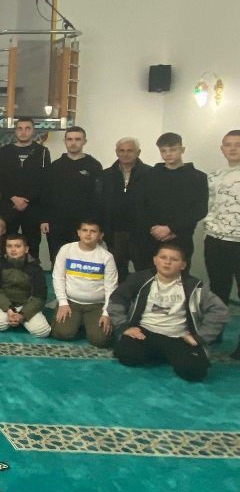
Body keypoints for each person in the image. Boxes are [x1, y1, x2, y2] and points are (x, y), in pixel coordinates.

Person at [108, 242, 228, 381]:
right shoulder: (140, 279)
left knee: (195, 371)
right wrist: (123, 327)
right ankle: (163, 354)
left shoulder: (194, 286)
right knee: (126, 355)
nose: (167, 262)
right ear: (155, 260)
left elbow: (219, 310)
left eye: (174, 259)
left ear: (183, 265)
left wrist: (200, 337)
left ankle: (168, 354)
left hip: (178, 337)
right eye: (163, 257)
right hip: (145, 332)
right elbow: (117, 298)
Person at [133, 132, 207, 264]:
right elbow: (140, 206)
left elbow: (199, 209)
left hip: (181, 237)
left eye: (173, 149)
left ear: (182, 149)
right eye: (163, 150)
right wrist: (154, 229)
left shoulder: (198, 177)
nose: (168, 154)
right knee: (148, 273)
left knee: (178, 275)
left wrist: (172, 229)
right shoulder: (149, 176)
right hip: (150, 237)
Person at [50, 218, 118, 347]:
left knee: (100, 340)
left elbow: (111, 288)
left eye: (93, 231)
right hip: (71, 302)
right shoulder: (66, 249)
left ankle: (84, 322)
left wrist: (106, 313)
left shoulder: (107, 257)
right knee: (62, 333)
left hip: (96, 305)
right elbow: (58, 277)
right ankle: (78, 322)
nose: (88, 234)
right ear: (78, 232)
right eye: (85, 230)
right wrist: (63, 303)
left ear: (100, 235)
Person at [40, 126, 103, 258]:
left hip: (84, 224)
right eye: (69, 139)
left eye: (77, 139)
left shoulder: (94, 166)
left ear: (84, 141)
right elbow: (46, 194)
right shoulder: (55, 166)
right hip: (57, 222)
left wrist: (97, 223)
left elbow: (99, 197)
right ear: (65, 141)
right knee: (58, 258)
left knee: (83, 258)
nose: (73, 143)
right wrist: (44, 219)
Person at [0, 117, 50, 259]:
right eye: (20, 128)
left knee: (32, 244)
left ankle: (32, 271)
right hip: (8, 205)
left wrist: (27, 200)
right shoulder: (5, 151)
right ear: (15, 131)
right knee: (7, 243)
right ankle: (8, 271)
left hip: (32, 207)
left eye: (27, 128)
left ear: (33, 131)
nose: (23, 132)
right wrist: (13, 198)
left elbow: (44, 182)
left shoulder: (42, 152)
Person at [205, 130, 240, 333]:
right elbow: (209, 206)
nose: (233, 148)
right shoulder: (214, 176)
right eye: (228, 144)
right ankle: (215, 332)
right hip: (216, 241)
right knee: (218, 290)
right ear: (222, 149)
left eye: (238, 144)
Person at [99, 136, 150, 276]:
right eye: (121, 150)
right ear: (116, 152)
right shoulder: (106, 175)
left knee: (144, 271)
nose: (125, 154)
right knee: (117, 272)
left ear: (138, 152)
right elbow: (100, 204)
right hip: (115, 233)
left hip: (141, 233)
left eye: (129, 150)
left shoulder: (150, 174)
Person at [0, 234, 51, 338]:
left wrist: (22, 315)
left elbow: (39, 297)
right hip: (4, 305)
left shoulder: (35, 268)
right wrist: (9, 309)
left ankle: (19, 320)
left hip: (25, 305)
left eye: (17, 246)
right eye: (9, 246)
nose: (13, 250)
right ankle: (15, 319)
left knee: (42, 332)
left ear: (26, 249)